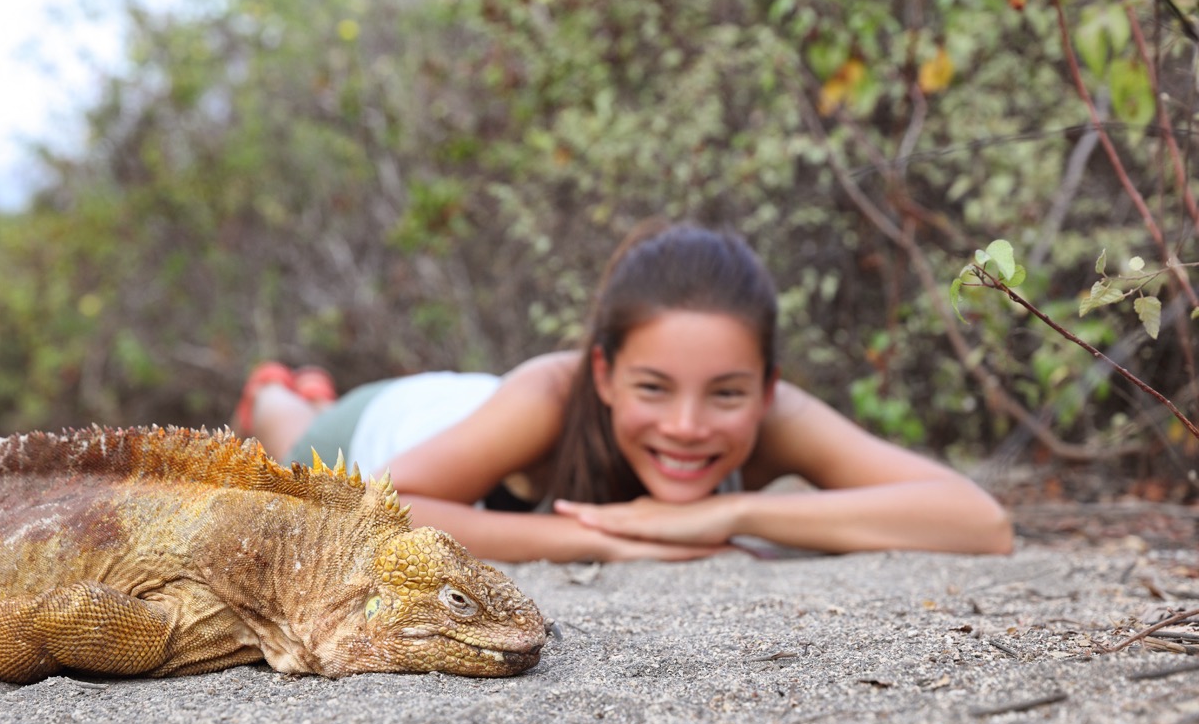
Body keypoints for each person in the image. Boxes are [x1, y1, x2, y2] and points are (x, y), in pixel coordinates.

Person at [234, 220, 1013, 562]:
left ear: (768, 385)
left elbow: (980, 523)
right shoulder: (551, 392)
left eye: (728, 394)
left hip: (472, 410)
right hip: (385, 425)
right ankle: (277, 388)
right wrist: (602, 540)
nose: (687, 424)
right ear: (603, 374)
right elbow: (375, 509)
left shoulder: (776, 417)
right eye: (653, 386)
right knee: (289, 433)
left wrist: (734, 509)